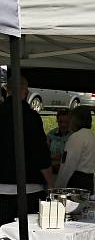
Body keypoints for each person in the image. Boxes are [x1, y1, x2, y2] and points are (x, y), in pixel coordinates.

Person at [0, 76, 53, 226]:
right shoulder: (31, 117)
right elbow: (40, 152)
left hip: (2, 188)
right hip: (28, 188)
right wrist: (50, 182)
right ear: (25, 92)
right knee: (26, 235)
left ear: (7, 90)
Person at [55, 107, 95, 192]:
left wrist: (58, 187)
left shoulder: (76, 137)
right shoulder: (92, 137)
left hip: (77, 183)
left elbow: (67, 166)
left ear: (75, 120)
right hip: (89, 182)